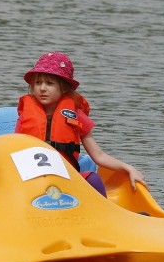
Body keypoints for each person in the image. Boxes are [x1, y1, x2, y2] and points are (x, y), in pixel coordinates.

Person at [15, 51, 146, 195]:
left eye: (50, 83)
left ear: (64, 88)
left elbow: (99, 156)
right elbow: (12, 150)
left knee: (94, 179)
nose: (42, 88)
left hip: (66, 180)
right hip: (31, 181)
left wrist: (128, 168)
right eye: (38, 83)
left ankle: (103, 214)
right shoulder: (25, 116)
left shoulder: (76, 115)